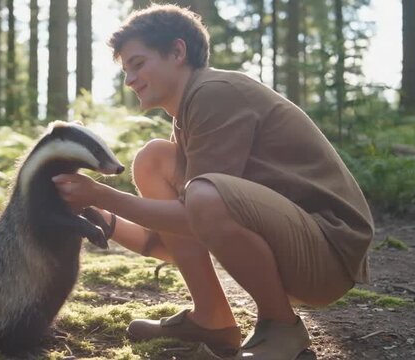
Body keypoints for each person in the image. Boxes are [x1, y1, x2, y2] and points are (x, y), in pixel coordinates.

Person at [52, 4, 374, 360]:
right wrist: (99, 213)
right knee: (153, 160)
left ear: (177, 51)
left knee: (201, 196)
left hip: (329, 253)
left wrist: (103, 193)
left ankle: (281, 329)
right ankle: (212, 318)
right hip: (299, 247)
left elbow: (196, 212)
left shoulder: (216, 92)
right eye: (126, 69)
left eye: (138, 64)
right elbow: (172, 241)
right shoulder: (189, 116)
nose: (129, 80)